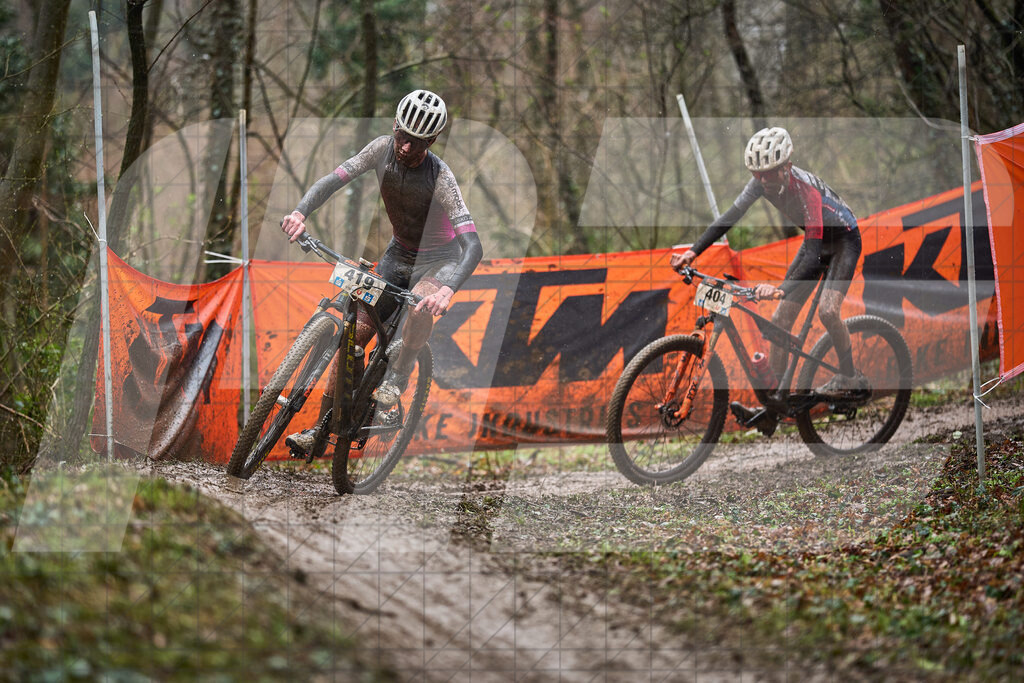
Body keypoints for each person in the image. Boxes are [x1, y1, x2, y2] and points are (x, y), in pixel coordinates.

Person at [279, 89, 483, 455]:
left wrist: (447, 290)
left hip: (439, 261)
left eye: (417, 142)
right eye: (403, 136)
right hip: (397, 254)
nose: (406, 147)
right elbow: (333, 180)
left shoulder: (441, 177)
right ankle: (321, 431)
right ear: (394, 125)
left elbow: (473, 245)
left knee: (420, 303)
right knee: (353, 339)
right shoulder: (379, 149)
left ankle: (400, 374)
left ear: (432, 141)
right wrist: (299, 213)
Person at [670, 126, 864, 432]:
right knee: (779, 321)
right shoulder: (760, 183)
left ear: (786, 167)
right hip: (815, 242)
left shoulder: (807, 192)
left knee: (828, 311)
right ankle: (774, 404)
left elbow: (814, 255)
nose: (762, 181)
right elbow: (728, 218)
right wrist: (693, 253)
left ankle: (850, 376)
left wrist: (780, 289)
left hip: (843, 242)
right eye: (756, 174)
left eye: (769, 174)